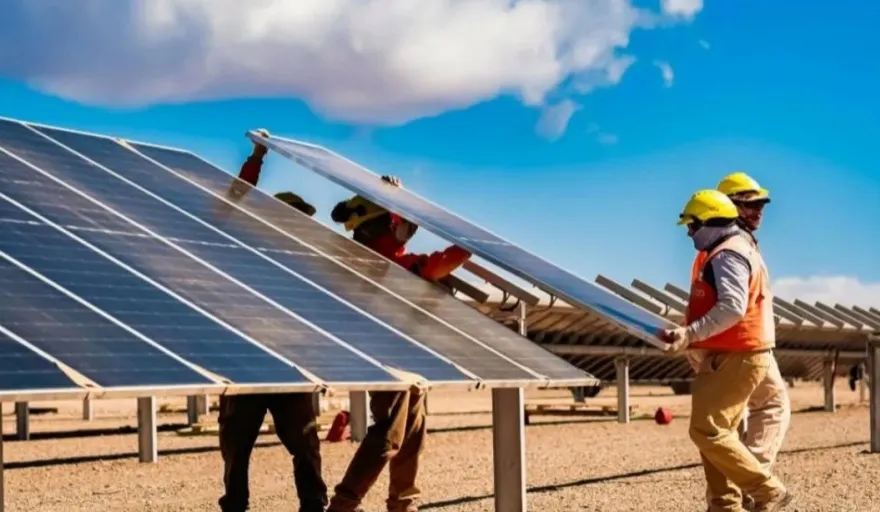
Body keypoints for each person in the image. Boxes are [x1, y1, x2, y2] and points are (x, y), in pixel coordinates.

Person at [324, 178, 471, 512]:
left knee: (413, 434)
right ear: (379, 226)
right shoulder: (391, 263)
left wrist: (393, 196)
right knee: (389, 434)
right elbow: (438, 264)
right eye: (394, 222)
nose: (403, 228)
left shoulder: (368, 257)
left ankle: (404, 504)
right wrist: (466, 246)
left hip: (409, 354)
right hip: (394, 355)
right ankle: (343, 505)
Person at [660, 189, 792, 512]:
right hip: (732, 354)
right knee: (720, 435)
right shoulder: (731, 248)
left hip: (738, 354)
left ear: (710, 222)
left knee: (708, 430)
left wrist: (690, 335)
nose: (690, 234)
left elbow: (733, 307)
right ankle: (724, 506)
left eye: (693, 226)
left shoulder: (727, 253)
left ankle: (767, 490)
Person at [218, 132, 327, 512]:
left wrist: (387, 197)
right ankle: (235, 505)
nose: (297, 226)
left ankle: (313, 505)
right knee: (236, 445)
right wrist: (256, 158)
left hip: (292, 362)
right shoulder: (241, 249)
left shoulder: (309, 265)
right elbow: (234, 202)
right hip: (245, 360)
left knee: (306, 444)